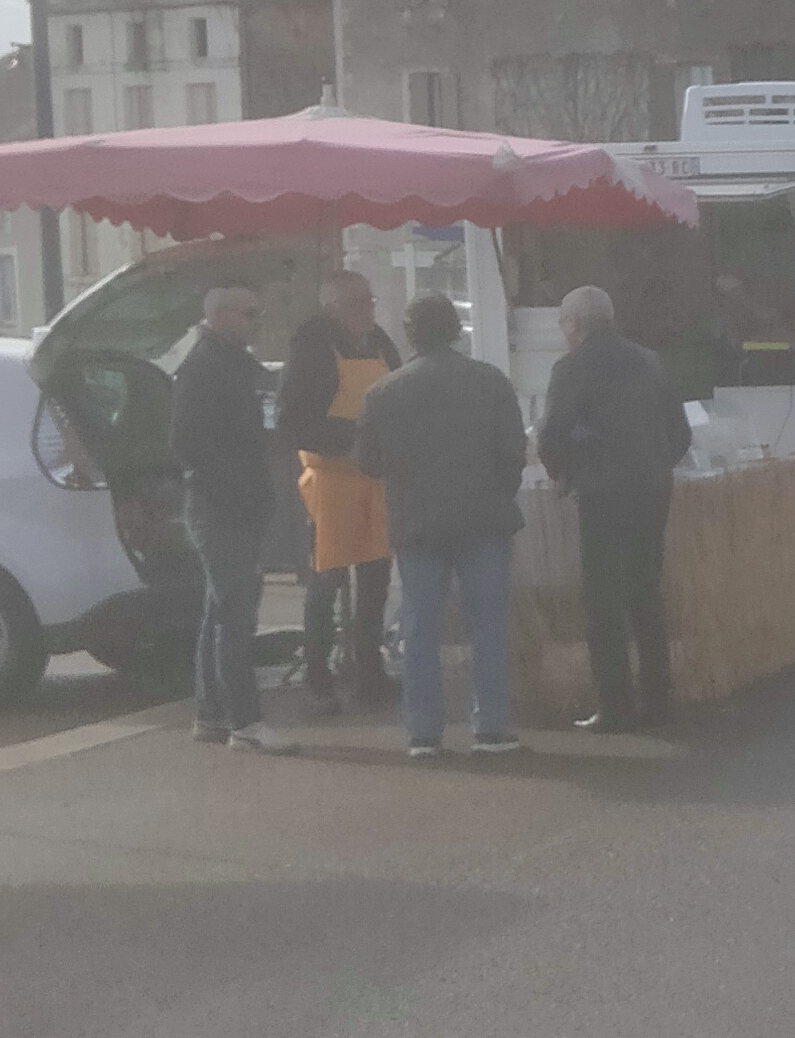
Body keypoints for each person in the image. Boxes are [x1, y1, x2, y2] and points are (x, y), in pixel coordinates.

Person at [355, 292, 531, 757]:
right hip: (484, 519)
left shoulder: (383, 392)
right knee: (488, 626)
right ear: (456, 329)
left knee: (420, 628)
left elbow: (367, 462)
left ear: (410, 335)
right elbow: (514, 451)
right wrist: (497, 488)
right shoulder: (490, 381)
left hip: (417, 525)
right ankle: (491, 727)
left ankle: (423, 733)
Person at [537, 282, 695, 729]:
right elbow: (680, 432)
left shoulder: (571, 368)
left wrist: (565, 474)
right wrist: (656, 466)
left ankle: (614, 704)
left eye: (563, 324)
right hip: (652, 489)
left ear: (574, 324)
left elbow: (551, 437)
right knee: (646, 592)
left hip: (602, 494)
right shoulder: (650, 360)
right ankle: (658, 699)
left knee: (603, 602)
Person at [169, 282, 293, 751]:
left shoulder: (238, 364)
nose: (255, 321)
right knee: (236, 615)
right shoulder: (201, 368)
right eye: (248, 313)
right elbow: (185, 444)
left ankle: (212, 714)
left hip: (240, 502)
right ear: (219, 315)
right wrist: (234, 482)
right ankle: (245, 721)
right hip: (220, 508)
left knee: (220, 610)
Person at [278, 268, 402, 714]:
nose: (369, 310)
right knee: (326, 581)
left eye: (370, 301)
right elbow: (291, 422)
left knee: (375, 580)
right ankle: (318, 676)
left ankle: (369, 672)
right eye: (358, 303)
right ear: (331, 307)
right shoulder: (310, 347)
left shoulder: (380, 342)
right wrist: (356, 437)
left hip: (376, 479)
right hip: (330, 480)